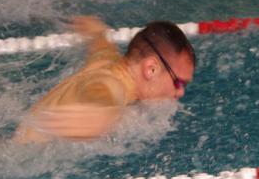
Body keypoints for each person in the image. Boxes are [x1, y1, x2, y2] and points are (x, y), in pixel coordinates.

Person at [14, 16, 195, 143]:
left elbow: (102, 44)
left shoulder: (107, 60)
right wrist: (102, 115)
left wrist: (97, 32)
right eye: (178, 83)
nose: (180, 92)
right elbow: (102, 93)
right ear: (151, 69)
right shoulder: (112, 85)